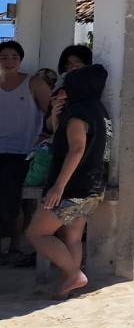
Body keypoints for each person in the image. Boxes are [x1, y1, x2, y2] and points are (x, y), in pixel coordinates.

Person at [26, 63, 112, 299]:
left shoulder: (79, 113)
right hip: (93, 186)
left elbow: (76, 150)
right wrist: (55, 116)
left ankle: (74, 274)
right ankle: (66, 286)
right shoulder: (99, 111)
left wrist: (59, 185)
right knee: (72, 237)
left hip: (72, 187)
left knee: (36, 233)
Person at [0, 40, 51, 260]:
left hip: (24, 151)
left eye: (14, 57)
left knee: (15, 200)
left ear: (20, 60)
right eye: (4, 57)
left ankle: (15, 245)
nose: (9, 61)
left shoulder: (34, 83)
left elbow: (50, 113)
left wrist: (45, 137)